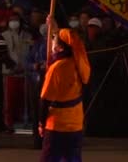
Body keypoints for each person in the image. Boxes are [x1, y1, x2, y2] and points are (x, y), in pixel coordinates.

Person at [38, 17, 91, 162]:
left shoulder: (58, 68)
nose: (52, 40)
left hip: (57, 124)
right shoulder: (79, 64)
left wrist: (41, 123)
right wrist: (55, 29)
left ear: (60, 47)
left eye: (54, 39)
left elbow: (45, 99)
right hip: (76, 122)